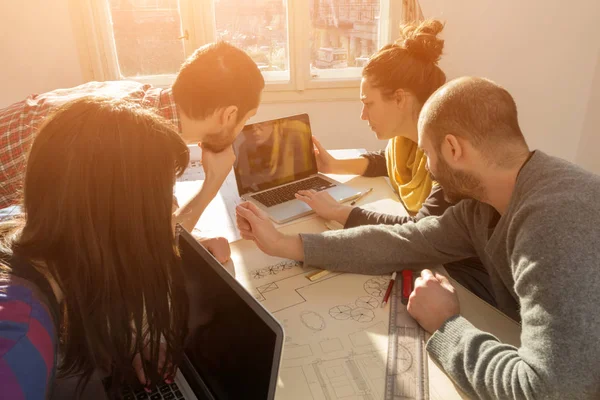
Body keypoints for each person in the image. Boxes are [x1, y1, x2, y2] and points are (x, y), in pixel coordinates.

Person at [236, 77, 600, 399]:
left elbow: (549, 391)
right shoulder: (482, 204)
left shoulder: (556, 223)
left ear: (454, 149)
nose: (426, 167)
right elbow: (405, 241)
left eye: (426, 153)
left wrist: (446, 324)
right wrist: (284, 244)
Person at [0, 41, 265, 263]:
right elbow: (155, 244)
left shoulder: (143, 100)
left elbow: (150, 219)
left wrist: (190, 236)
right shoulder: (142, 140)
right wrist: (213, 182)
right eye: (245, 118)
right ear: (228, 114)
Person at [0, 97, 194, 398]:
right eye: (163, 197)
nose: (174, 208)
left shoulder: (21, 226)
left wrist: (123, 348)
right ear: (116, 221)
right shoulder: (18, 344)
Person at [296, 19, 494, 305]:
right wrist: (332, 166)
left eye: (369, 103)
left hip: (468, 279)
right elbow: (385, 163)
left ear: (400, 99)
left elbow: (417, 233)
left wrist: (341, 212)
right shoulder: (408, 140)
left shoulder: (450, 157)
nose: (363, 115)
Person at [233, 115, 313, 191]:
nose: (254, 129)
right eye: (249, 125)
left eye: (261, 123)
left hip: (299, 190)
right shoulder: (245, 146)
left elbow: (307, 177)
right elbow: (245, 184)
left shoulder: (296, 133)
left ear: (274, 121)